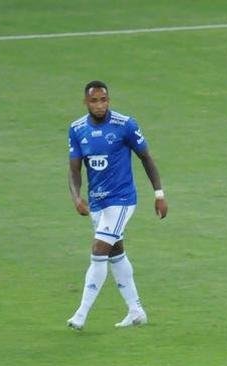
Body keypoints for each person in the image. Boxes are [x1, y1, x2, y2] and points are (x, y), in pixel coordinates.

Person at [66, 80, 168, 330]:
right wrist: (77, 197)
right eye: (94, 101)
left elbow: (146, 158)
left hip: (122, 200)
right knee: (115, 253)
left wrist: (159, 193)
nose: (100, 105)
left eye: (104, 100)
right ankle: (136, 311)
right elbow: (74, 169)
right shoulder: (77, 129)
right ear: (85, 102)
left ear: (108, 100)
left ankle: (81, 314)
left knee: (98, 251)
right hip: (98, 203)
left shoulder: (125, 125)